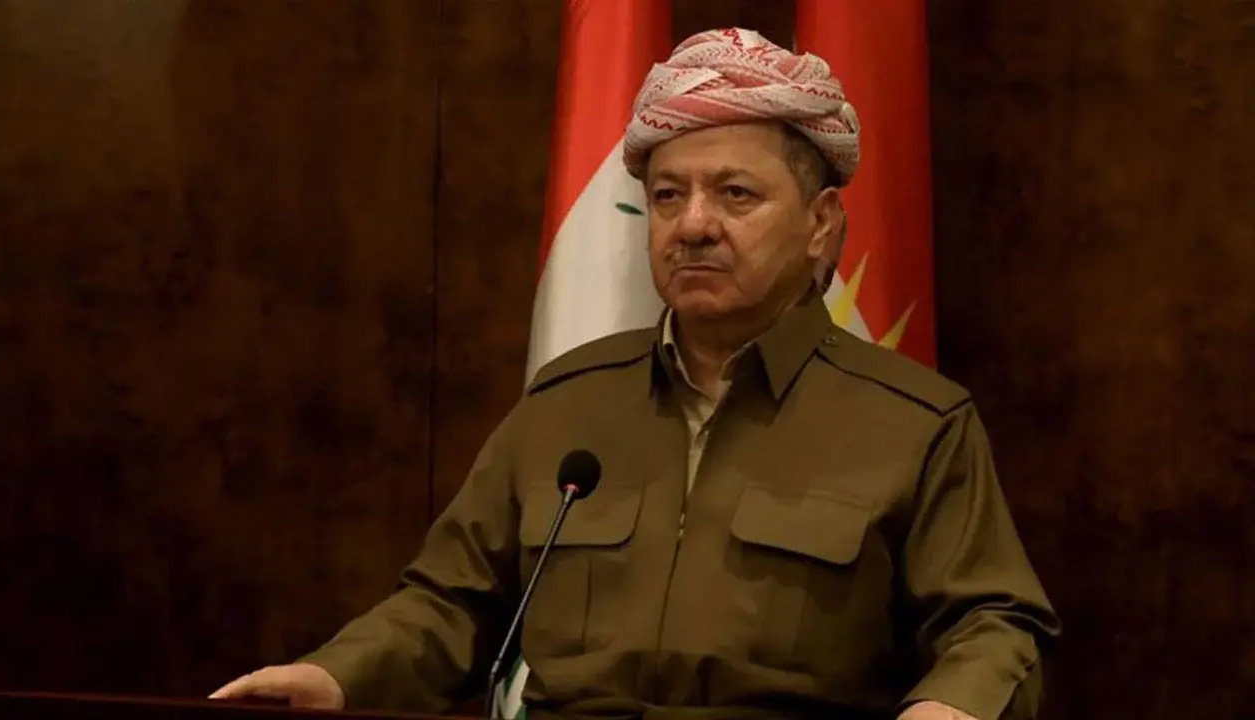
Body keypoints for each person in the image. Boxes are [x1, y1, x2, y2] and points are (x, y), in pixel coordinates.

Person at [211, 28, 1061, 720]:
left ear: (821, 225)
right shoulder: (569, 404)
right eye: (667, 197)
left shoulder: (913, 422)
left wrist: (953, 706)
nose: (693, 226)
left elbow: (995, 623)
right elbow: (451, 603)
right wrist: (335, 677)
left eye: (735, 195)